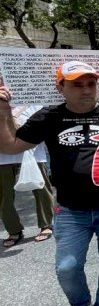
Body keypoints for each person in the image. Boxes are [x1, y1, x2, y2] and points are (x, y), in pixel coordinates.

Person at [0, 60, 99, 306]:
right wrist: (3, 112)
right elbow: (10, 146)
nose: (87, 90)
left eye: (91, 83)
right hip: (70, 211)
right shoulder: (48, 117)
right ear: (60, 88)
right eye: (77, 84)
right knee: (67, 267)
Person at [1, 104, 55, 247]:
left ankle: (47, 224)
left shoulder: (32, 101)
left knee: (41, 188)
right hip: (2, 155)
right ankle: (13, 230)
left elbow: (44, 126)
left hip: (32, 151)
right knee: (3, 195)